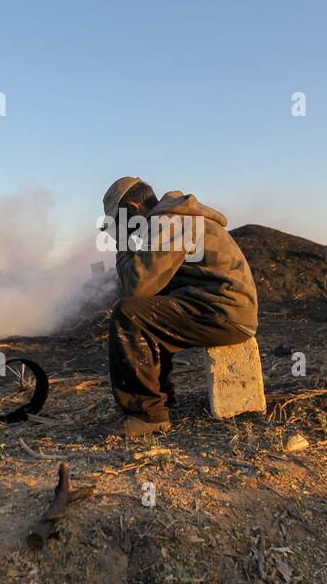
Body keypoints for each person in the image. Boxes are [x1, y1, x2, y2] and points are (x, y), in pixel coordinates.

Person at [99, 176, 259, 438]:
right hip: (223, 307)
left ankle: (146, 414)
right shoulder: (172, 219)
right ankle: (160, 397)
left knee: (128, 313)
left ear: (133, 207)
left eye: (119, 221)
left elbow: (136, 287)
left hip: (223, 312)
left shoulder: (170, 222)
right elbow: (153, 290)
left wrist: (123, 243)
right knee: (148, 309)